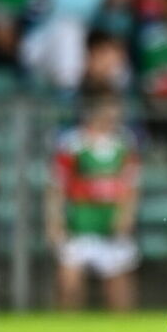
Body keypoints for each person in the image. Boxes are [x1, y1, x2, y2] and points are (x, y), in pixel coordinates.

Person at [44, 95, 141, 311]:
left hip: (111, 226)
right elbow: (57, 186)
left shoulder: (124, 143)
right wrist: (54, 220)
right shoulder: (73, 143)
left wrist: (126, 216)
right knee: (69, 286)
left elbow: (131, 186)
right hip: (79, 224)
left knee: (119, 290)